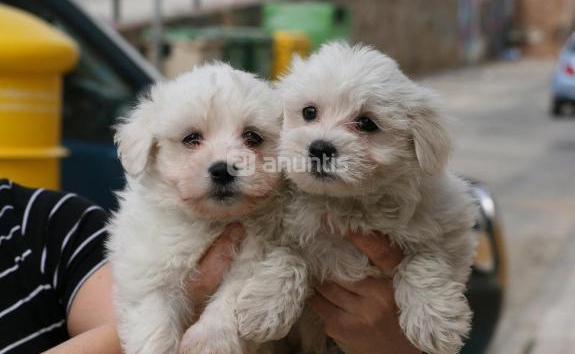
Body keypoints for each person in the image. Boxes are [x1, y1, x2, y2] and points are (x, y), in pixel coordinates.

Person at [0, 179, 419, 354]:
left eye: (253, 138)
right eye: (193, 139)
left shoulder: (45, 222)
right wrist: (193, 300)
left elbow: (133, 321)